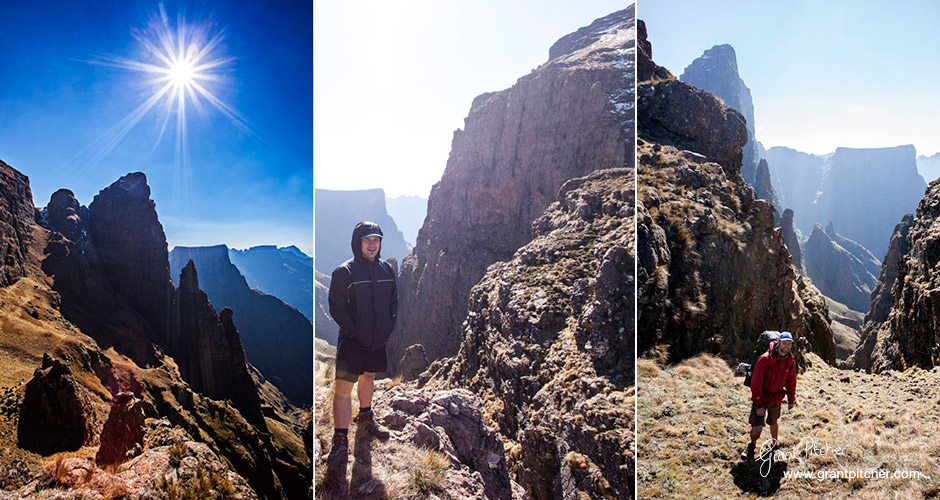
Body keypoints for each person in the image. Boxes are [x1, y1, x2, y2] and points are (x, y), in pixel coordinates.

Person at [324, 221, 397, 465]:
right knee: (343, 389)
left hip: (377, 341)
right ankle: (340, 440)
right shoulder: (344, 272)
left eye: (376, 239)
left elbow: (393, 302)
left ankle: (366, 420)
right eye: (367, 240)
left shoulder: (387, 270)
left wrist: (387, 326)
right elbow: (336, 307)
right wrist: (354, 331)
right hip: (353, 342)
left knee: (369, 377)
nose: (373, 244)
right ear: (358, 243)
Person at [742, 331, 797, 462]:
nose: (787, 346)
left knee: (773, 421)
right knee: (757, 428)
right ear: (778, 342)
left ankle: (774, 443)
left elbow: (791, 381)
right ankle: (751, 446)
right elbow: (755, 385)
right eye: (784, 343)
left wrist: (791, 399)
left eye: (789, 344)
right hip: (761, 397)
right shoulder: (764, 359)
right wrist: (759, 404)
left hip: (776, 397)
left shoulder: (790, 361)